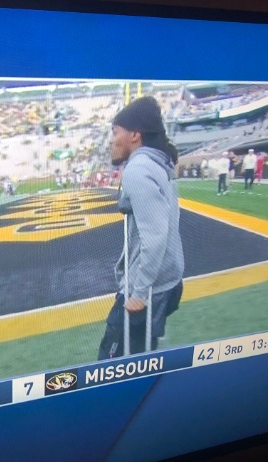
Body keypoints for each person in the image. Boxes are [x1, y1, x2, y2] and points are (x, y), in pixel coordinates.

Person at [98, 96, 184, 360]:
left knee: (112, 366)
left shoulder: (138, 170)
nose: (111, 140)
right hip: (168, 280)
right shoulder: (157, 164)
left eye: (115, 132)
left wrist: (139, 291)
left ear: (134, 135)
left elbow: (155, 237)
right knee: (144, 357)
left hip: (149, 287)